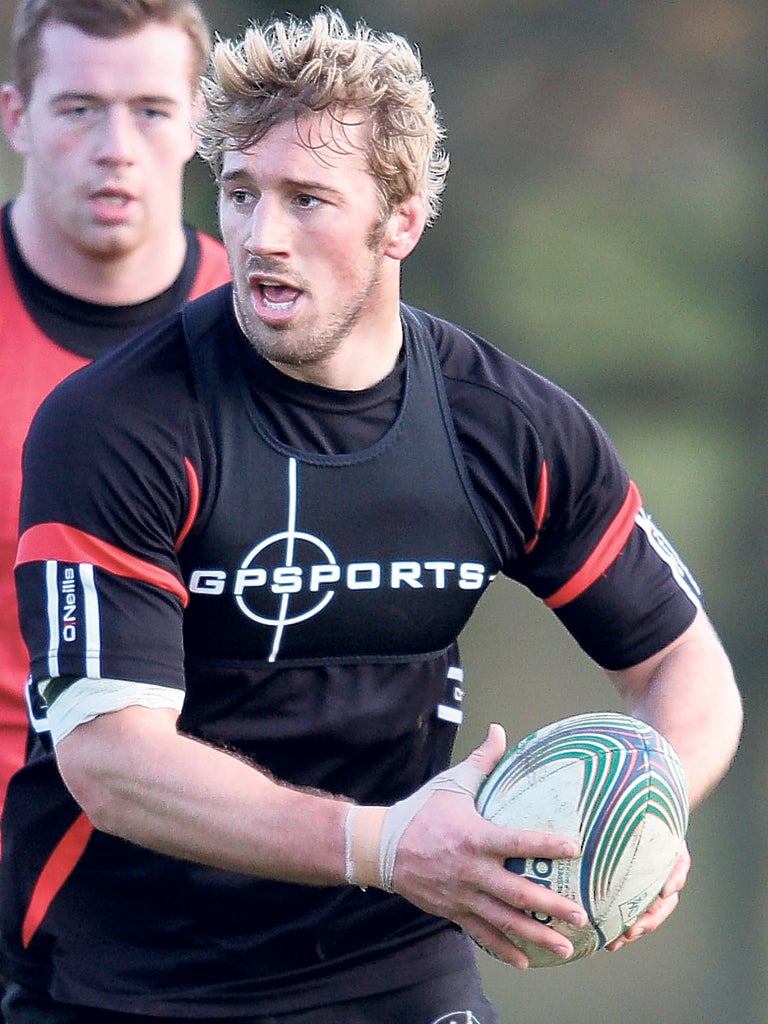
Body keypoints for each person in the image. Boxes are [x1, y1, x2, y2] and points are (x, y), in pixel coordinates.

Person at [1, 9, 742, 1023]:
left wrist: (646, 805)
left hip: (396, 966)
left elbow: (687, 668)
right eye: (241, 193)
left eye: (308, 199)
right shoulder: (114, 423)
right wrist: (387, 844)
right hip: (133, 982)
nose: (262, 237)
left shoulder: (508, 426)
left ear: (400, 221)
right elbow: (111, 761)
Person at [0, 0, 230, 854]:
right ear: (17, 116)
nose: (117, 148)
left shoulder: (267, 323)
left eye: (151, 110)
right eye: (80, 109)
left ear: (197, 122)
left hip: (218, 870)